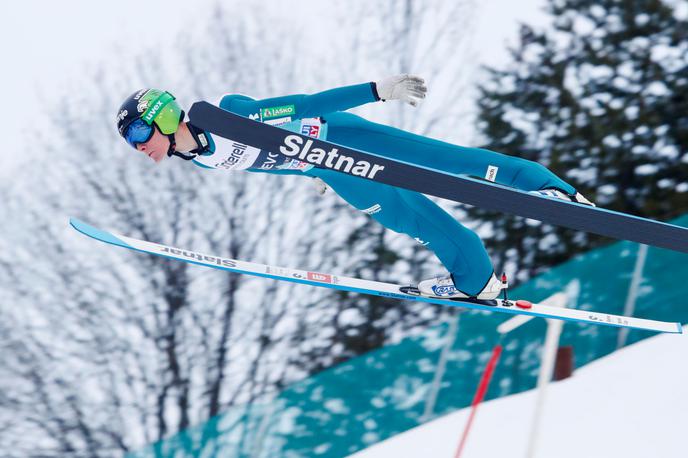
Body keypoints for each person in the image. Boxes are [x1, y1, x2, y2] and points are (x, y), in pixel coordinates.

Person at [115, 76, 593, 300]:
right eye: (130, 142)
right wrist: (308, 172)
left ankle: (548, 191)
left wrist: (375, 91)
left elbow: (301, 104)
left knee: (452, 162)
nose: (138, 147)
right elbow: (267, 160)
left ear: (161, 115)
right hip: (333, 170)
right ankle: (477, 282)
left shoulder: (216, 115)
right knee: (413, 221)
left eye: (138, 133)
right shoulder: (198, 158)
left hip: (342, 137)